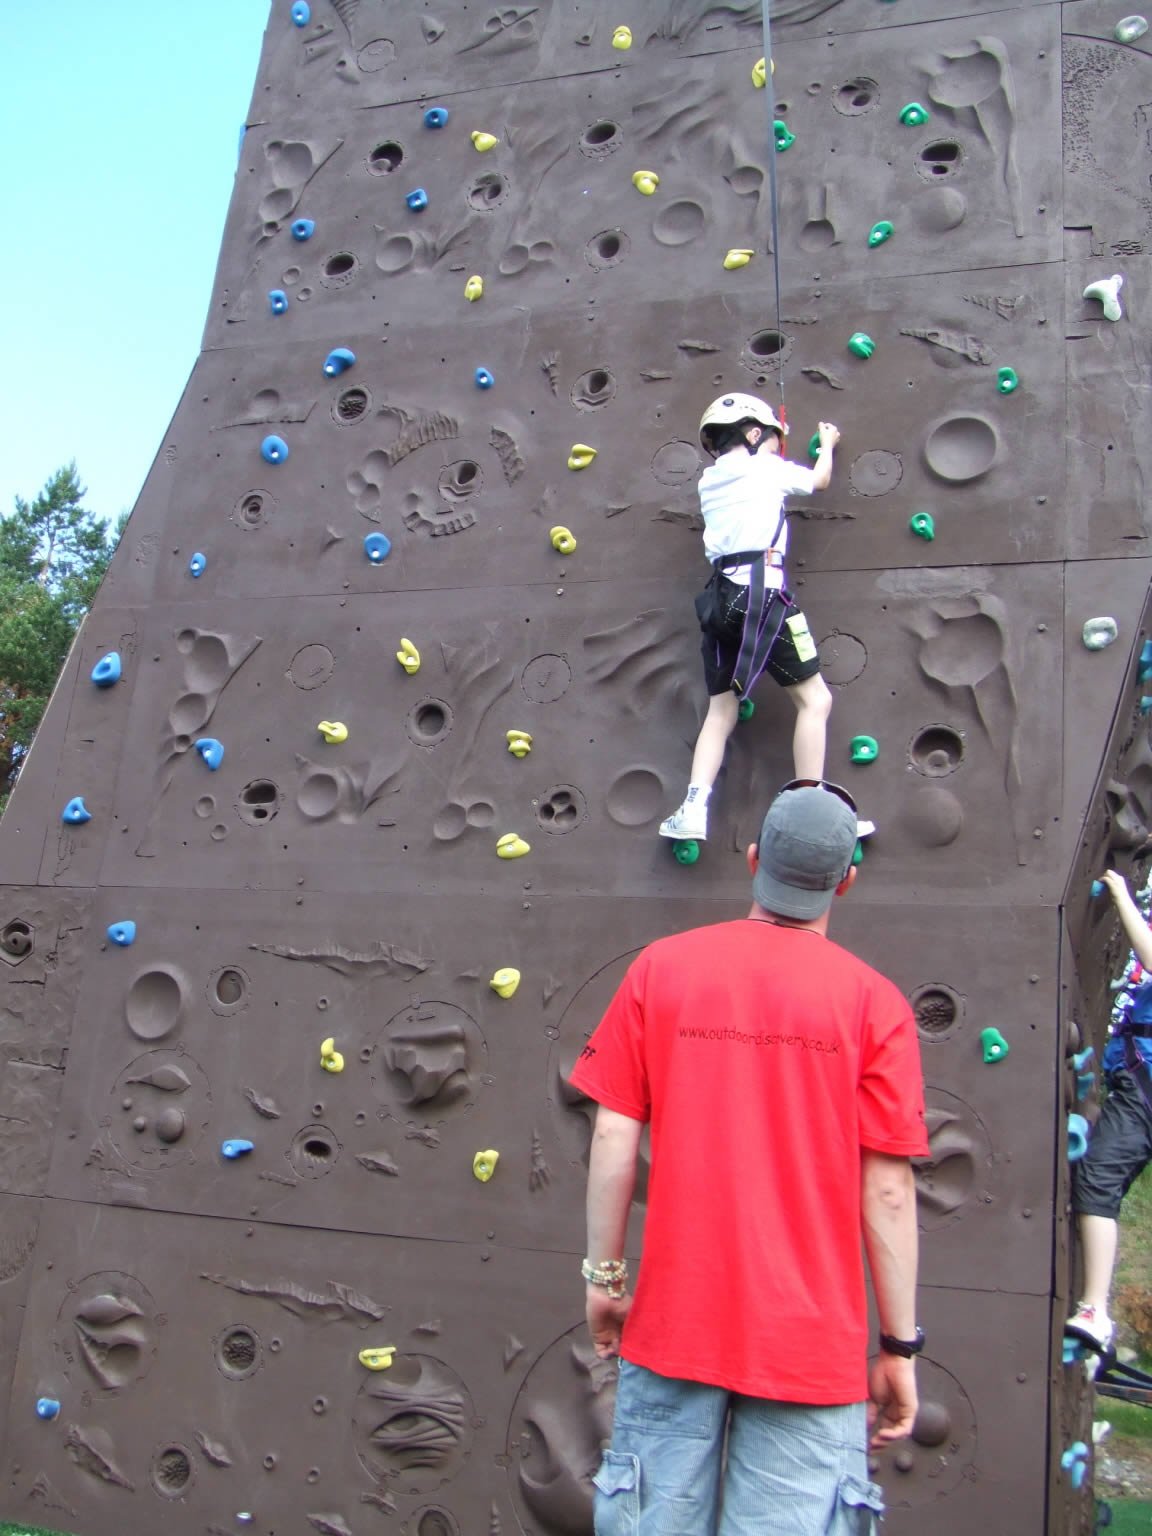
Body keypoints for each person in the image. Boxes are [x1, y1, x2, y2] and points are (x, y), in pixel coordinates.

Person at [570, 781, 930, 1535]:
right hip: (810, 1349)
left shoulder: (659, 970)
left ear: (755, 860)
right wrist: (898, 1346)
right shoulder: (876, 1004)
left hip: (673, 1326)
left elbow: (613, 1137)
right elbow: (889, 1192)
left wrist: (605, 1280)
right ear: (846, 879)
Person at [659, 395, 840, 846]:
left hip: (720, 600)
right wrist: (829, 444)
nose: (779, 451)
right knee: (815, 702)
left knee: (721, 711)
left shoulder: (708, 481)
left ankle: (693, 809)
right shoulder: (767, 469)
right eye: (775, 442)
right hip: (762, 596)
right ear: (754, 434)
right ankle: (811, 813)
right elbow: (819, 480)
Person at [1066, 868, 1152, 1354]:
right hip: (1135, 1081)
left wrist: (1122, 895)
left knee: (1098, 1177)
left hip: (1145, 1087)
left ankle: (1096, 1310)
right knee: (1099, 1176)